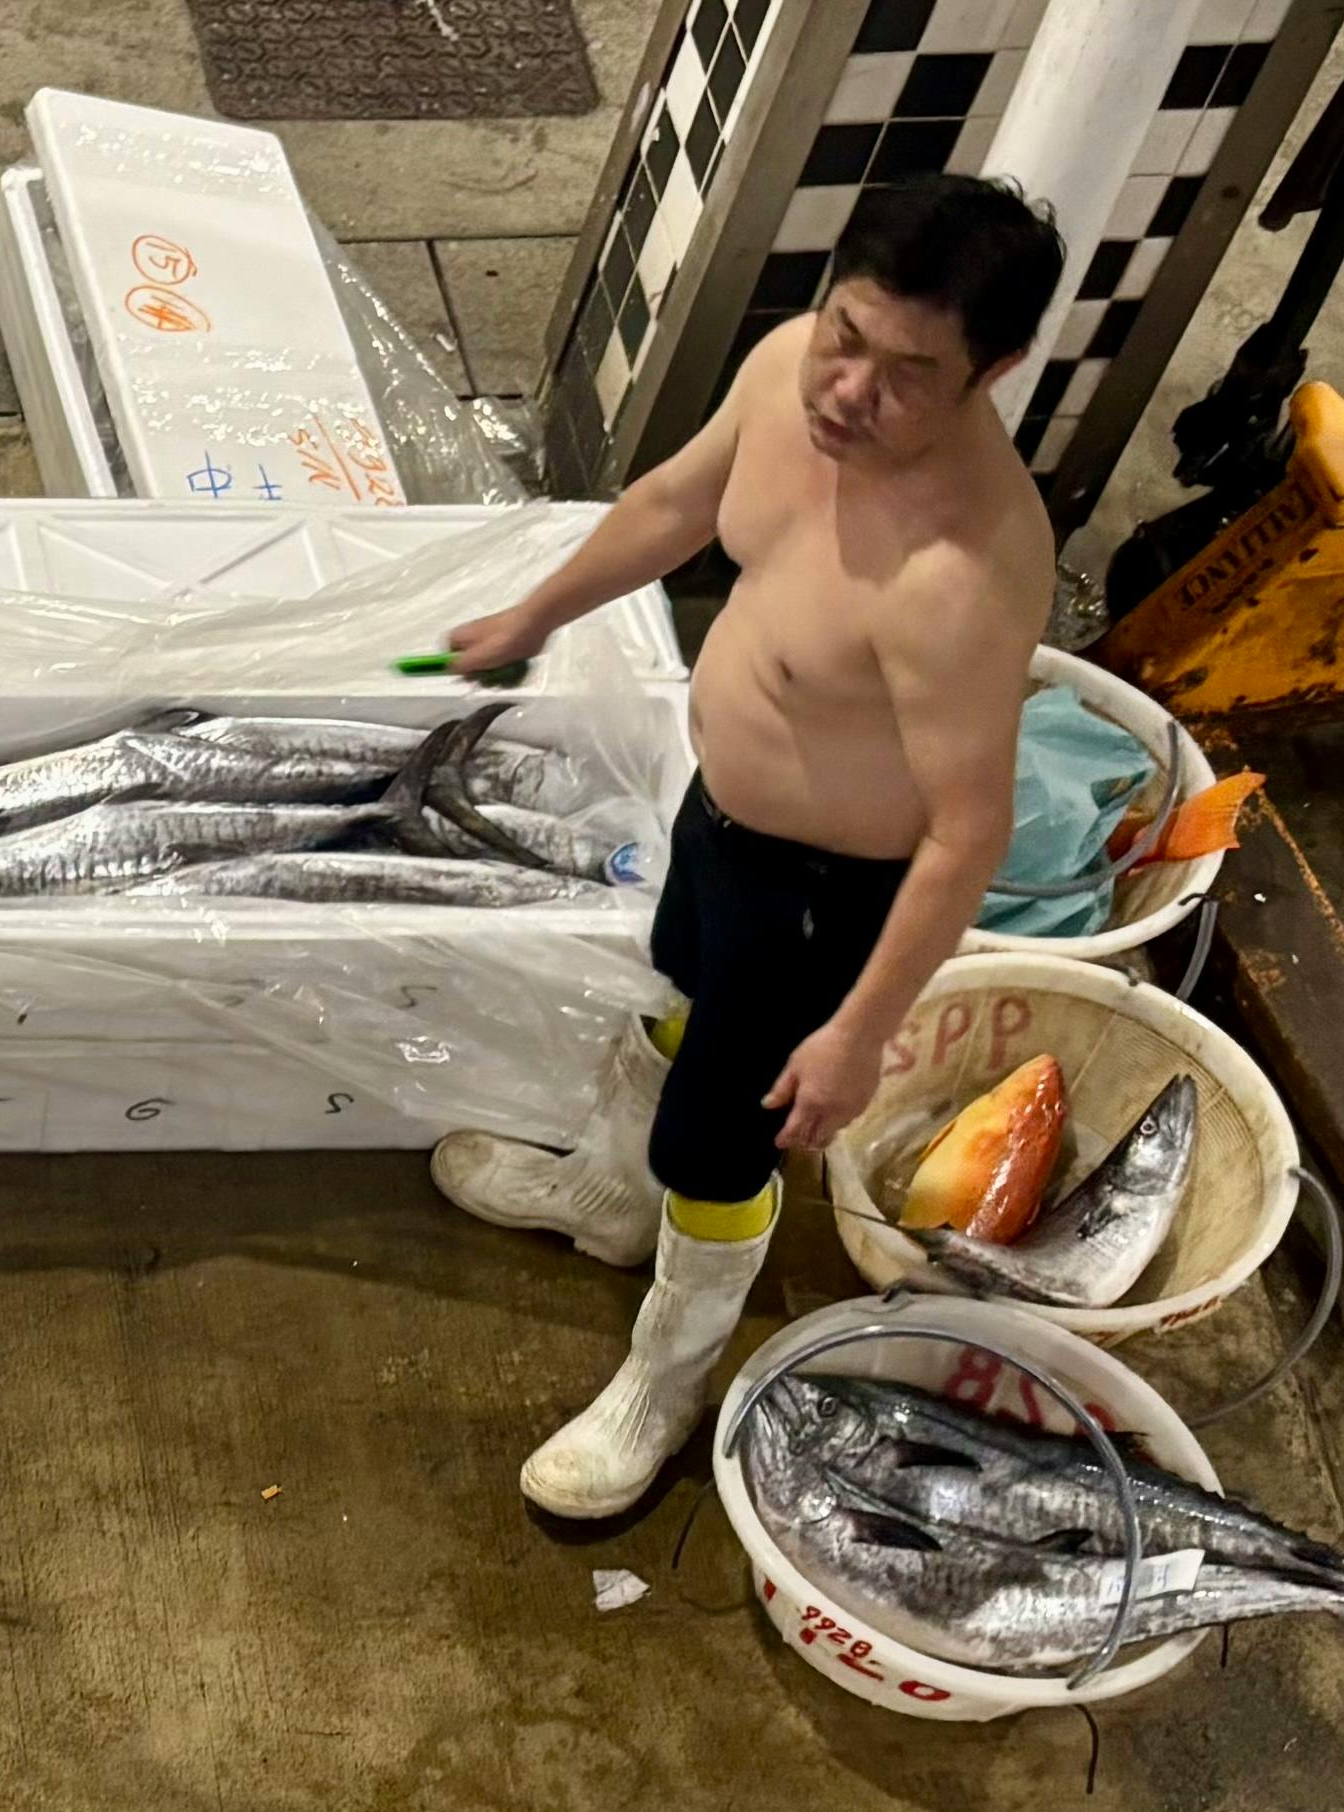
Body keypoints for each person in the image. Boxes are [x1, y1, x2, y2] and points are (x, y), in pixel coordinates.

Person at [431, 172, 1064, 1518]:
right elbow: (673, 502)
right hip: (716, 819)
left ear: (993, 370)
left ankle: (663, 1377)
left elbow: (966, 833)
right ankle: (608, 1196)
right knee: (670, 1003)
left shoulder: (960, 568)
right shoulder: (789, 368)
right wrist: (534, 611)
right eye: (846, 333)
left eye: (906, 373)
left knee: (725, 1142)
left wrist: (858, 1032)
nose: (848, 390)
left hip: (824, 899)